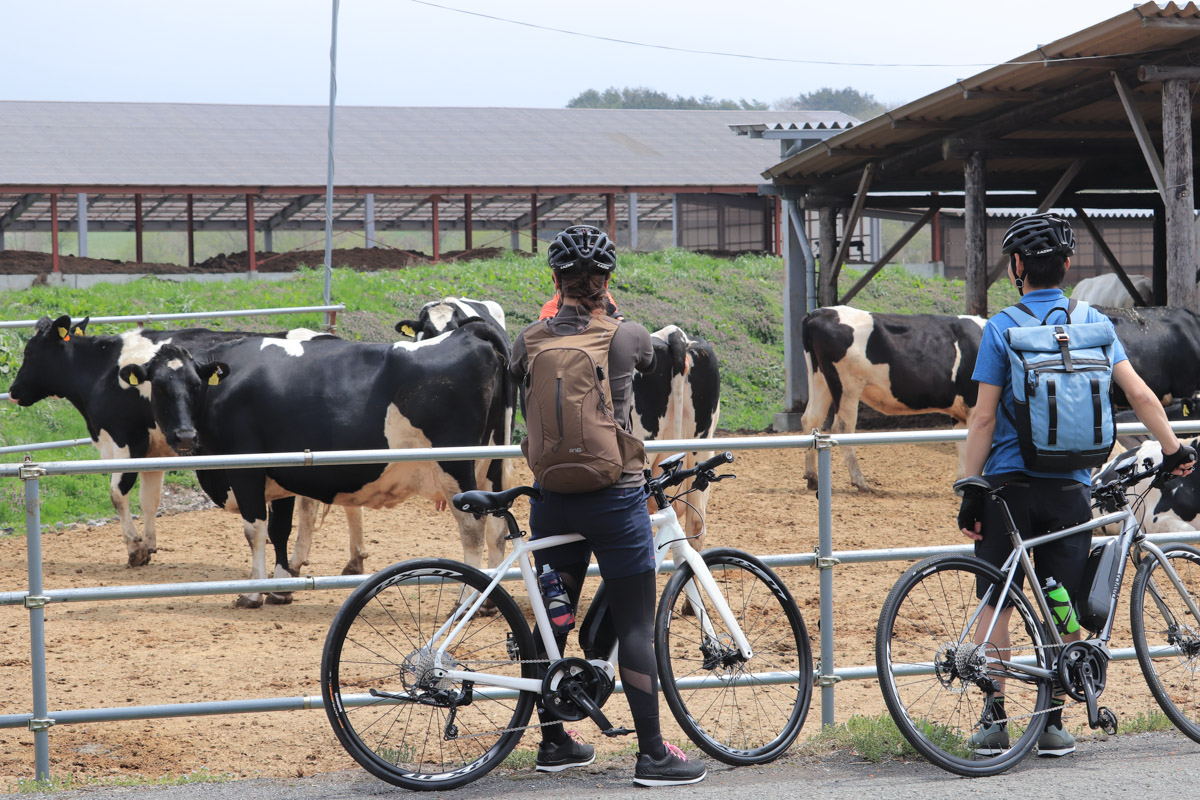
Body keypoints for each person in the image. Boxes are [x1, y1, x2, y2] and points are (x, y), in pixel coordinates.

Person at [958, 212, 1196, 758]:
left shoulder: (1002, 327)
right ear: (1067, 265)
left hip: (1008, 486)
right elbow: (1140, 396)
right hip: (1072, 485)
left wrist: (971, 487)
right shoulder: (1094, 324)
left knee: (998, 597)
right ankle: (1054, 724)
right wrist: (1176, 448)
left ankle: (995, 720)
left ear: (1017, 268)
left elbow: (983, 419)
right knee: (1062, 596)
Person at [510, 224, 707, 786]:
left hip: (552, 501)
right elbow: (647, 360)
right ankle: (653, 755)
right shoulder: (626, 335)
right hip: (616, 499)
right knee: (637, 625)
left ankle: (554, 741)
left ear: (555, 280)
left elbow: (514, 374)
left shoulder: (529, 339)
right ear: (606, 280)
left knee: (554, 623)